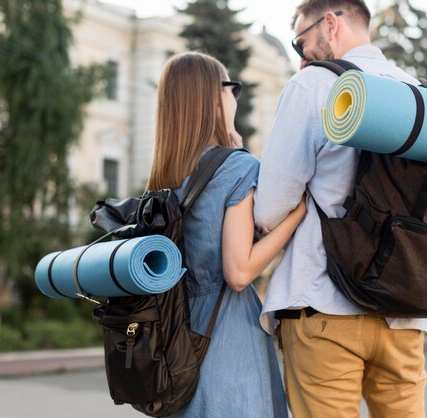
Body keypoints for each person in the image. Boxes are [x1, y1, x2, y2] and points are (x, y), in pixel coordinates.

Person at [254, 1, 427, 416]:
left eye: (300, 40)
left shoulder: (314, 85)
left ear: (330, 23)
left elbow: (269, 209)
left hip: (324, 303)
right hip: (404, 311)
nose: (301, 55)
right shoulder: (421, 94)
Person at [146, 51, 306, 418]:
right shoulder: (237, 167)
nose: (235, 96)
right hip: (227, 332)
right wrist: (295, 217)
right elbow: (238, 273)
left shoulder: (163, 176)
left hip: (175, 337)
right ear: (213, 98)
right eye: (230, 87)